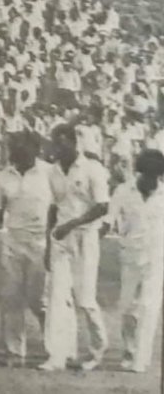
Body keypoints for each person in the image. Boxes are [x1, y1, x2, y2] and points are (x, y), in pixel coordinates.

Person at [0, 129, 50, 367]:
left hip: (42, 244)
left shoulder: (49, 173)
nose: (11, 151)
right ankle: (15, 351)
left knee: (40, 301)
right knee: (11, 298)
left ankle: (56, 346)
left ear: (33, 149)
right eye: (10, 146)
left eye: (17, 147)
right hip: (13, 242)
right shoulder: (4, 176)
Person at [40, 123, 109, 371]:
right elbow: (53, 208)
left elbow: (102, 206)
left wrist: (73, 224)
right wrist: (49, 246)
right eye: (54, 143)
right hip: (60, 238)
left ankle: (98, 349)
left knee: (85, 299)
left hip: (85, 237)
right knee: (57, 297)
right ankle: (57, 355)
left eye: (60, 143)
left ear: (72, 142)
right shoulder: (53, 172)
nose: (56, 149)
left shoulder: (92, 169)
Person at [101, 149, 164, 373]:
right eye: (148, 176)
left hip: (157, 260)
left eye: (157, 177)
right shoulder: (123, 191)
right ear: (140, 173)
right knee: (127, 309)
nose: (152, 181)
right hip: (129, 257)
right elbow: (108, 219)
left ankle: (141, 358)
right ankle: (129, 351)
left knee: (148, 307)